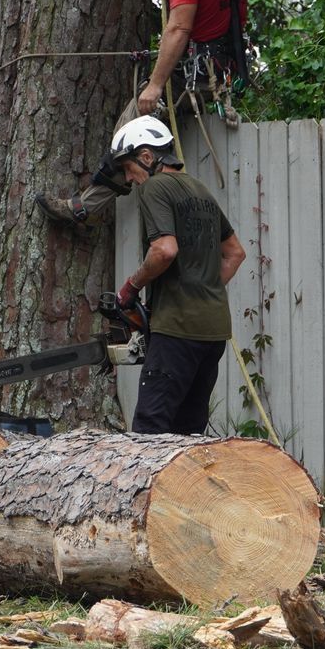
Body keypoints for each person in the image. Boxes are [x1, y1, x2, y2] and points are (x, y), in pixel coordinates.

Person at [37, 0, 250, 226]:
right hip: (221, 71)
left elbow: (179, 29)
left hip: (189, 75)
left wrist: (155, 85)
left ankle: (85, 209)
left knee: (128, 133)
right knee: (145, 142)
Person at [108, 115, 246, 434]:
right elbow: (236, 253)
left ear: (147, 157)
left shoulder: (156, 187)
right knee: (188, 429)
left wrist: (131, 287)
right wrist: (200, 289)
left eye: (129, 169)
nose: (129, 179)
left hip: (177, 331)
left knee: (151, 427)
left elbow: (164, 250)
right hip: (213, 332)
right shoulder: (200, 191)